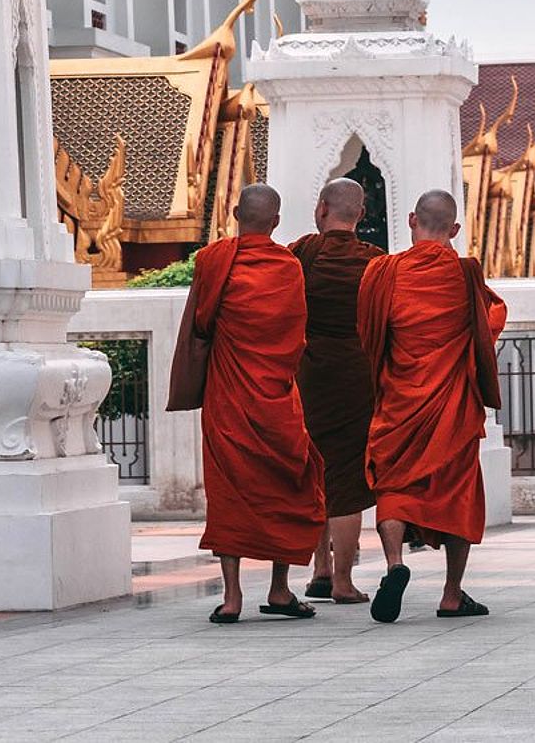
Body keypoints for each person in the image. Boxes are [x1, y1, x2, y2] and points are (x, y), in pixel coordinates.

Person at [357, 189, 507, 624]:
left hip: (399, 401)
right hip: (451, 404)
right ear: (454, 230)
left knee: (393, 484)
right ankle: (451, 593)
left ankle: (394, 565)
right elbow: (492, 317)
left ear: (410, 221)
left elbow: (368, 334)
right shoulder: (464, 275)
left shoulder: (383, 272)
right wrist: (464, 348)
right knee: (457, 491)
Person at [194, 183, 326, 623]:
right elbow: (296, 337)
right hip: (275, 399)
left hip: (228, 398)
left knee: (229, 493)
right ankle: (279, 588)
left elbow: (201, 321)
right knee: (286, 485)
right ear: (275, 221)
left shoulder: (213, 262)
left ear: (234, 213)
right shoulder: (287, 267)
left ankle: (232, 598)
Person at [289, 178, 384, 603]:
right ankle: (343, 580)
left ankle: (320, 571)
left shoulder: (301, 255)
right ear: (361, 216)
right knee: (345, 479)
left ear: (321, 208)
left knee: (314, 472)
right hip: (356, 379)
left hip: (308, 377)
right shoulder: (377, 264)